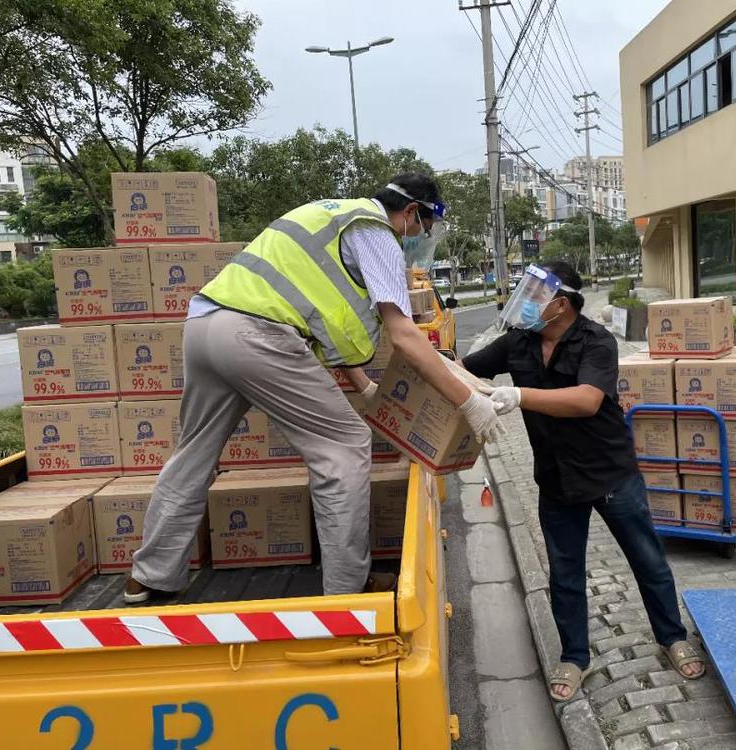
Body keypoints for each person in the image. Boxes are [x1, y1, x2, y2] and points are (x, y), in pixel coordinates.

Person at [124, 173, 504, 603]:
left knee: (193, 454)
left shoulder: (330, 216)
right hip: (257, 336)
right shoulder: (376, 231)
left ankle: (149, 575)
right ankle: (347, 588)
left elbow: (325, 322)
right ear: (411, 211)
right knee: (345, 444)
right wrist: (468, 402)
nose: (417, 236)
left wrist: (364, 387)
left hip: (204, 327)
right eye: (421, 227)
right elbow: (403, 334)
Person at [461, 261, 704, 702]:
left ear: (561, 303)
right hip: (556, 478)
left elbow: (588, 400)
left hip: (610, 473)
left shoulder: (597, 341)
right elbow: (464, 368)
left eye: (535, 295)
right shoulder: (517, 342)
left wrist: (519, 395)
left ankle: (672, 636)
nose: (526, 302)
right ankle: (574, 657)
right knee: (565, 572)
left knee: (647, 560)